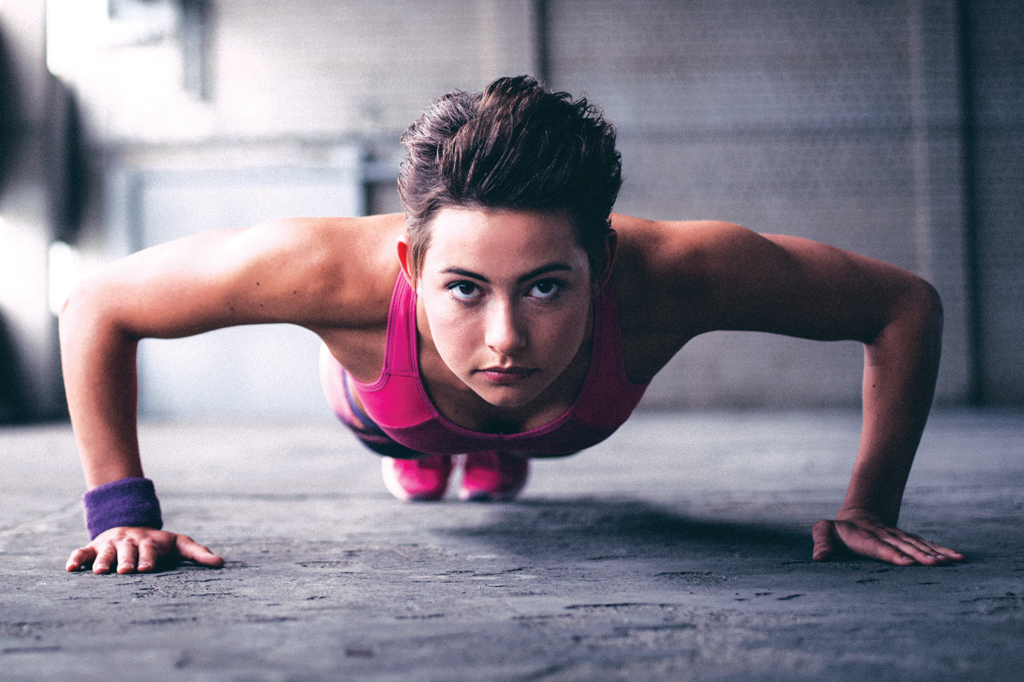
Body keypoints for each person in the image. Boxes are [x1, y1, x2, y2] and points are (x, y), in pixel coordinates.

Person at [60, 76, 963, 575]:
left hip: (563, 422)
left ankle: (485, 447)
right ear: (410, 271)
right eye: (462, 289)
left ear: (600, 267)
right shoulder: (324, 268)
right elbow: (99, 305)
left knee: (496, 419)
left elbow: (902, 306)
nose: (503, 337)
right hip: (385, 405)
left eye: (543, 289)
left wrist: (868, 506)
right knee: (407, 431)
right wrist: (120, 515)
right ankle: (428, 448)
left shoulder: (679, 275)